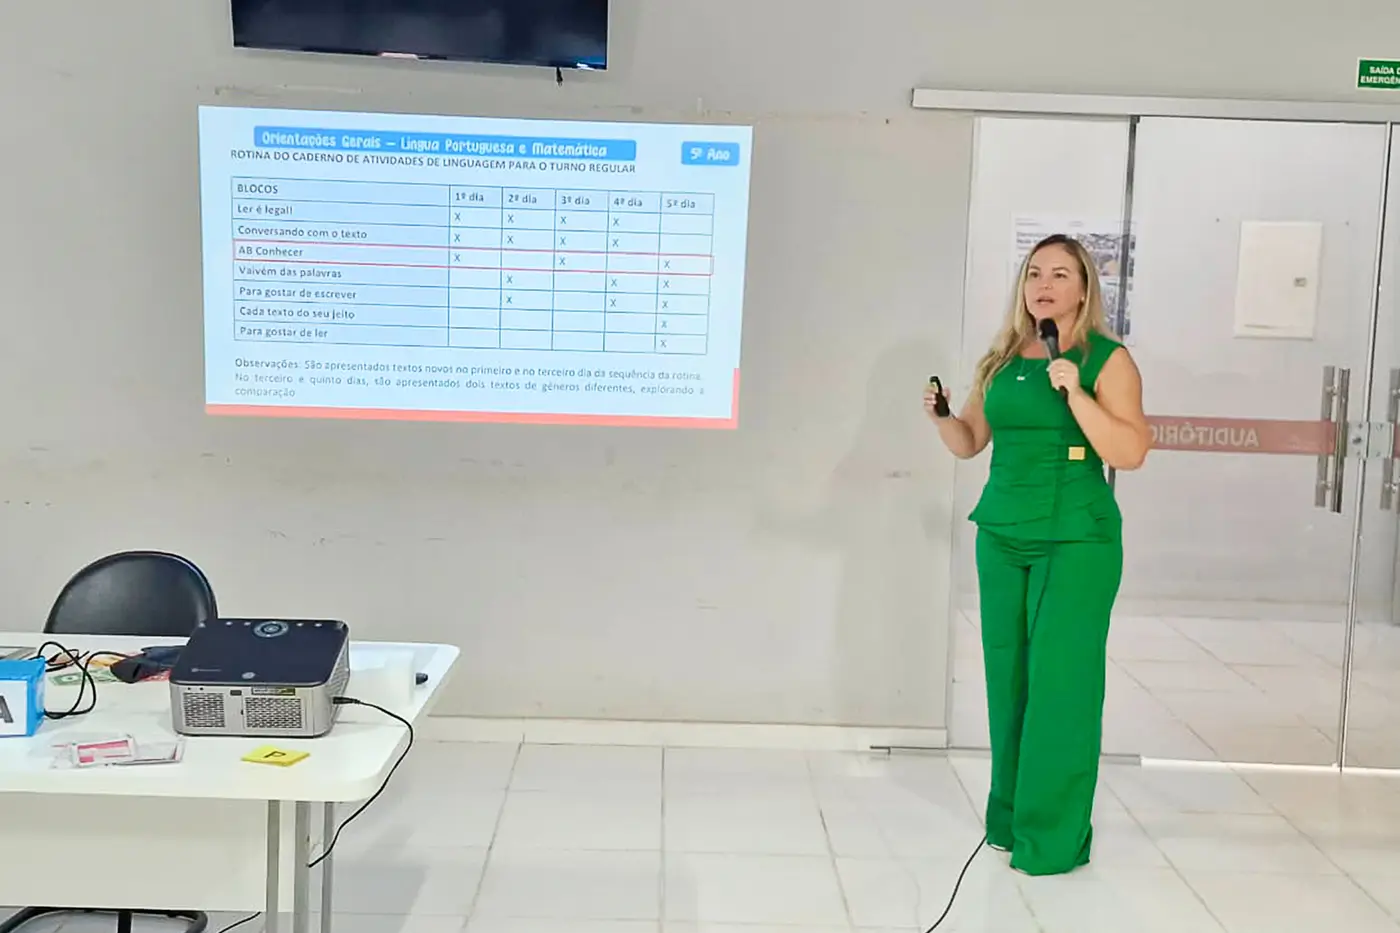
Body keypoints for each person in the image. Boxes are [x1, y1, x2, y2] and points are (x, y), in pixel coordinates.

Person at [924, 233, 1151, 876]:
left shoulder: (1106, 360)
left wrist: (1076, 393)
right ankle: (1009, 821)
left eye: (1059, 274)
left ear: (1084, 289)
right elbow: (971, 441)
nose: (1043, 285)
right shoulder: (1001, 358)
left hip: (1075, 539)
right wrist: (942, 417)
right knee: (1009, 681)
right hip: (1002, 534)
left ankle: (1050, 840)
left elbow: (1130, 452)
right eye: (1033, 274)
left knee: (1061, 687)